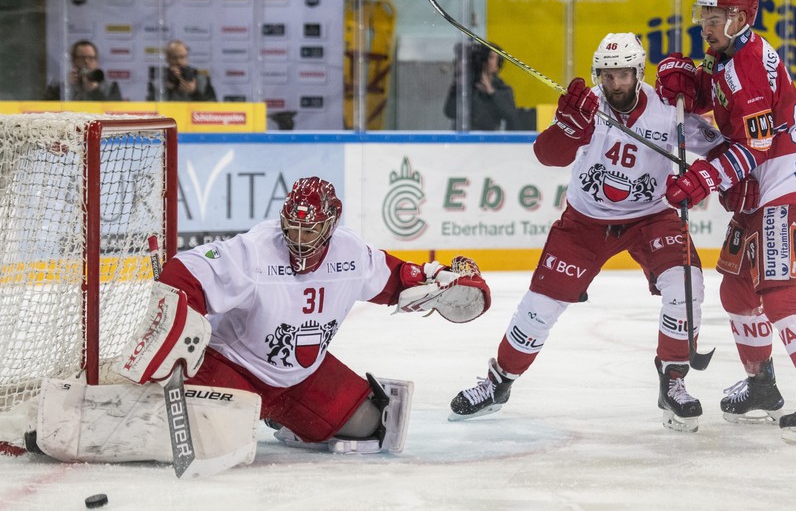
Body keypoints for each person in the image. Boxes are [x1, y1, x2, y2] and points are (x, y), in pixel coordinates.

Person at [12, 177, 491, 466]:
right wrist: (179, 322)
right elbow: (184, 272)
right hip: (232, 367)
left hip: (300, 377)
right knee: (212, 439)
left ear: (332, 224)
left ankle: (284, 419)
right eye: (294, 226)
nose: (300, 237)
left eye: (312, 228)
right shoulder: (256, 249)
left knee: (372, 426)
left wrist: (444, 284)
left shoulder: (353, 254)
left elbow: (402, 280)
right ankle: (67, 420)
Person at [449, 33, 725, 433]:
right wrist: (567, 127)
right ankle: (498, 382)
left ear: (638, 72)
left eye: (624, 75)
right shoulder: (587, 107)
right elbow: (547, 155)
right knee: (539, 306)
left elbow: (719, 149)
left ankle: (674, 380)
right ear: (599, 74)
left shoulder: (669, 110)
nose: (616, 85)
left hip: (652, 218)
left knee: (687, 284)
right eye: (608, 76)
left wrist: (707, 178)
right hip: (586, 223)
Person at [655, 0, 796, 444]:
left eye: (713, 17)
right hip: (762, 185)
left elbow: (756, 143)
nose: (704, 24)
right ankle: (762, 385)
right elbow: (723, 100)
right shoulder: (727, 57)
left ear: (740, 18)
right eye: (702, 15)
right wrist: (693, 84)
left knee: (778, 288)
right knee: (738, 288)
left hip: (783, 185)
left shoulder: (748, 65)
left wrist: (704, 178)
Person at [443, 42, 519, 131]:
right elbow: (449, 111)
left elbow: (511, 116)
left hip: (489, 140)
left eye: (494, 58)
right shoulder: (466, 85)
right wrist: (458, 87)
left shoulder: (502, 89)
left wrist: (491, 91)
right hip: (464, 139)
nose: (490, 62)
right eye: (487, 58)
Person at [45, 40, 123, 101]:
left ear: (96, 61)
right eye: (82, 58)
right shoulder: (60, 86)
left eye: (91, 58)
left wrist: (95, 91)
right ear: (73, 61)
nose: (86, 62)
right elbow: (49, 109)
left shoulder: (110, 87)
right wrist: (68, 86)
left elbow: (115, 112)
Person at [148, 39, 217, 101]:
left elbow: (212, 108)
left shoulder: (201, 78)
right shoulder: (158, 80)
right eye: (174, 58)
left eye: (182, 57)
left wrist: (194, 92)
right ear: (167, 59)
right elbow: (151, 108)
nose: (179, 61)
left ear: (187, 57)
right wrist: (167, 89)